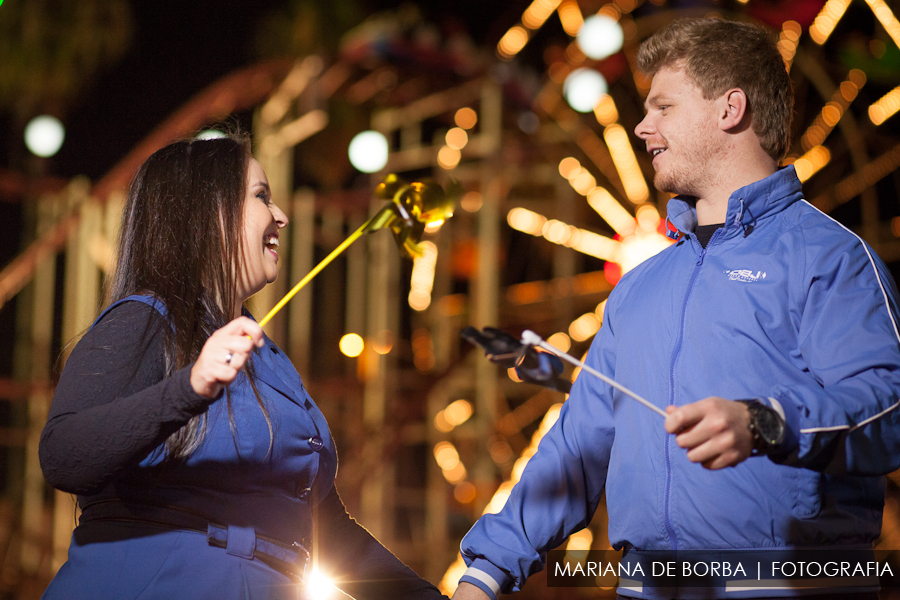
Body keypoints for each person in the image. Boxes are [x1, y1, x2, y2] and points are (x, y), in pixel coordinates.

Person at [453, 17, 900, 600]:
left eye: (662, 107)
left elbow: (889, 410)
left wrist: (765, 423)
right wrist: (486, 571)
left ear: (729, 108)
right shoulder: (639, 289)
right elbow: (576, 446)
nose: (641, 128)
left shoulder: (831, 258)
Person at [39, 134, 447, 600]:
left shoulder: (269, 359)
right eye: (261, 196)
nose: (282, 216)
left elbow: (324, 526)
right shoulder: (144, 320)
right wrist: (189, 387)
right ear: (205, 213)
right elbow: (63, 454)